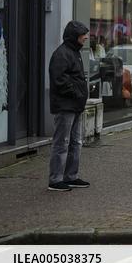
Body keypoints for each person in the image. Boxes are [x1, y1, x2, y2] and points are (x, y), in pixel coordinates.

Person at [48, 21, 91, 192]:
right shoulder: (62, 54)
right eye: (83, 35)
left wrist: (79, 95)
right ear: (75, 36)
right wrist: (76, 92)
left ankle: (71, 176)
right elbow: (59, 79)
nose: (86, 37)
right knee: (62, 143)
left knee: (75, 142)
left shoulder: (74, 52)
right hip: (66, 106)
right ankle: (55, 179)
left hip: (75, 105)